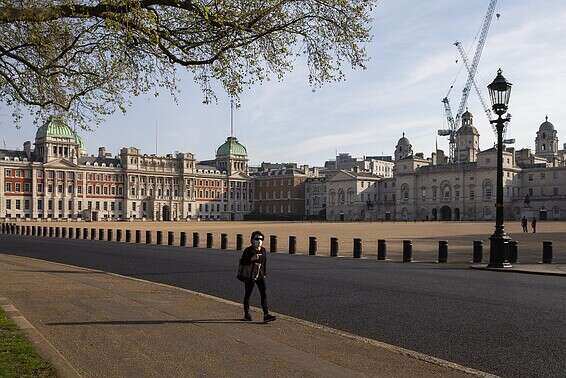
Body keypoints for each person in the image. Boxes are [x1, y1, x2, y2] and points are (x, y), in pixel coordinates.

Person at [240, 231, 276, 323]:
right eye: (256, 239)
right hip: (250, 275)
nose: (259, 241)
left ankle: (266, 314)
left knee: (263, 293)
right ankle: (246, 314)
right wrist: (251, 258)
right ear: (252, 240)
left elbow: (264, 263)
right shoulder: (248, 250)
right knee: (248, 294)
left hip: (260, 275)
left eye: (261, 239)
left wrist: (264, 273)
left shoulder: (263, 250)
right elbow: (243, 262)